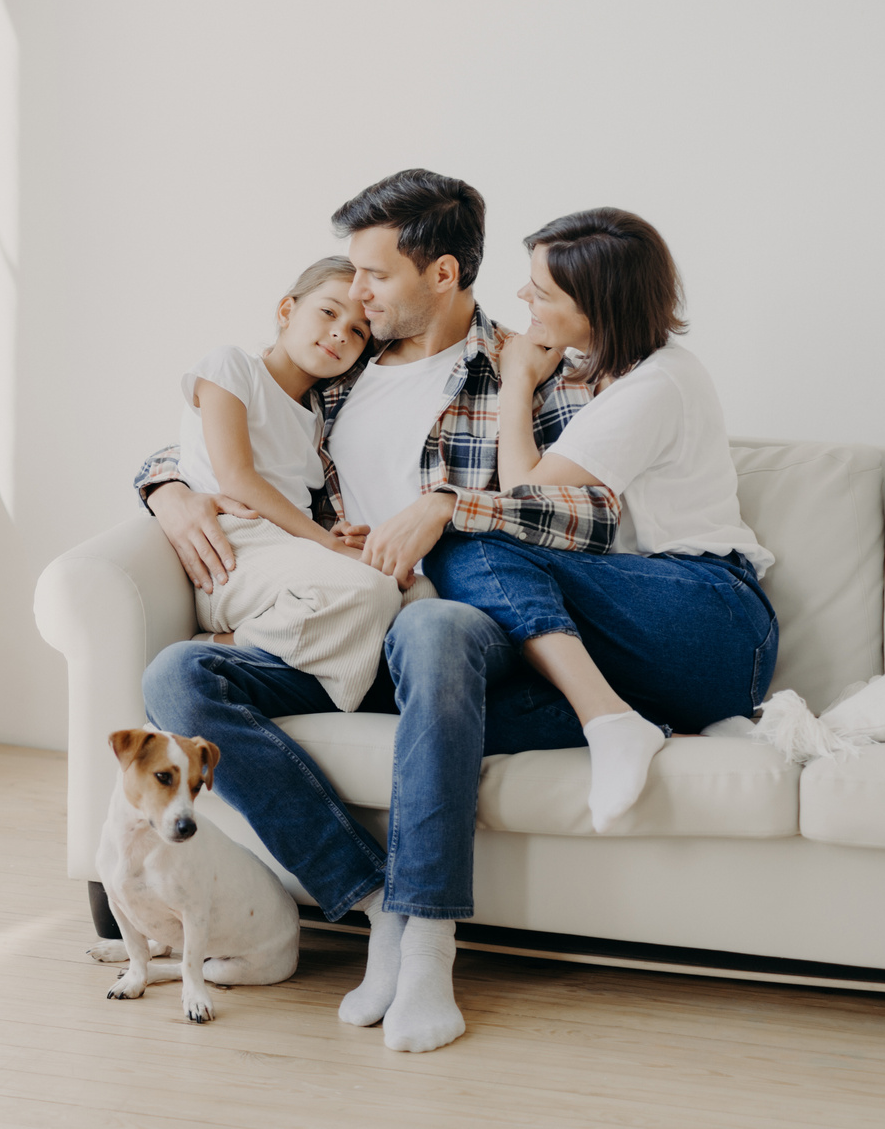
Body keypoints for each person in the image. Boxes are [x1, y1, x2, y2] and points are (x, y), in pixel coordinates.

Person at [136, 169, 617, 1053]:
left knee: (430, 626)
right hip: (335, 623)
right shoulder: (339, 367)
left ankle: (429, 940)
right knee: (177, 677)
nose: (353, 296)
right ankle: (372, 905)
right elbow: (225, 427)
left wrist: (442, 504)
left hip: (456, 626)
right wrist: (165, 488)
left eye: (373, 276)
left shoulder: (531, 367)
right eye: (348, 278)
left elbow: (587, 517)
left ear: (441, 275)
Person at [422, 209, 778, 832]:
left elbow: (522, 495)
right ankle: (665, 716)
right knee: (447, 707)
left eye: (543, 291)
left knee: (465, 539)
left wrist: (515, 382)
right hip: (674, 649)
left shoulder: (656, 383)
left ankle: (608, 721)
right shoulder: (616, 379)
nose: (522, 296)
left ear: (596, 310)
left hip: (713, 611)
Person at [179, 256, 419, 712]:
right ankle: (227, 641)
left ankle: (326, 676)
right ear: (287, 311)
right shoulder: (233, 367)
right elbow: (237, 478)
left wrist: (343, 537)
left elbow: (303, 502)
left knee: (417, 592)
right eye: (328, 312)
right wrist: (327, 546)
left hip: (292, 550)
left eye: (358, 332)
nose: (339, 334)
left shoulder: (316, 418)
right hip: (236, 549)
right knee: (368, 591)